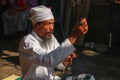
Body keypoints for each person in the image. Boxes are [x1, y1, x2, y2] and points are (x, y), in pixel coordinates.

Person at [18, 5, 88, 80]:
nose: (52, 28)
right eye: (48, 24)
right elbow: (50, 61)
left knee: (88, 78)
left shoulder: (51, 39)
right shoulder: (27, 42)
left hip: (50, 78)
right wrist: (73, 35)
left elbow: (58, 63)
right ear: (35, 25)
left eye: (53, 23)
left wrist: (64, 60)